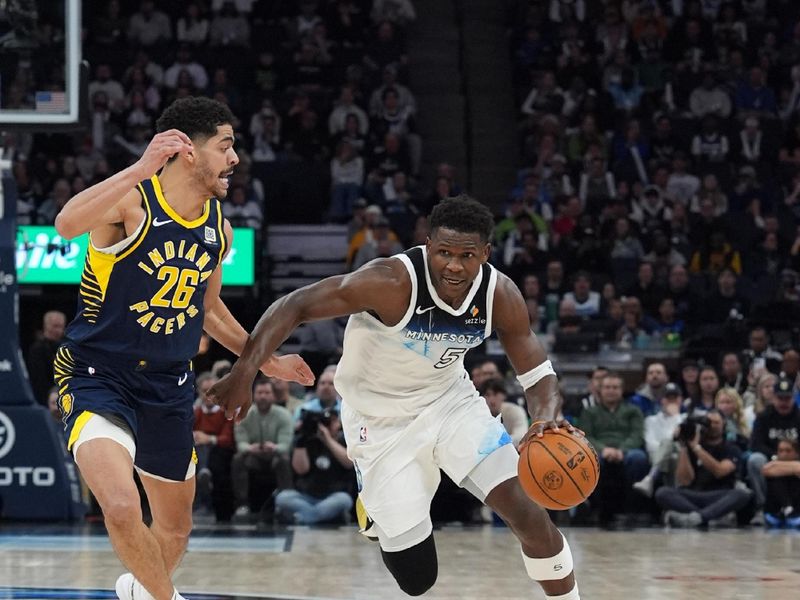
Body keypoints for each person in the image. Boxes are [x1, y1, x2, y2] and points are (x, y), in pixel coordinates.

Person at [210, 197, 582, 599]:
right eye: (443, 253)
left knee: (530, 517)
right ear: (427, 245)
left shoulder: (499, 295)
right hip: (378, 421)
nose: (454, 265)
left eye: (466, 255)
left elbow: (537, 372)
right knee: (417, 579)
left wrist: (545, 416)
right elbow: (296, 304)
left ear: (485, 254)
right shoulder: (390, 282)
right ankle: (371, 505)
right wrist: (245, 370)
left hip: (450, 403)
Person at [51, 97, 314, 600]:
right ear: (187, 151)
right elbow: (66, 224)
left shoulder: (219, 227)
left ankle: (140, 591)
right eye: (225, 145)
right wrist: (141, 166)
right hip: (96, 375)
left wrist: (266, 360)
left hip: (168, 384)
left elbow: (209, 310)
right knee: (124, 509)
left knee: (175, 531)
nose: (235, 158)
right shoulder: (133, 201)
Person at [26, 310, 66, 406]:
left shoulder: (66, 348)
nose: (58, 330)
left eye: (61, 326)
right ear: (46, 326)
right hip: (45, 401)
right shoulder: (37, 349)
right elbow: (38, 381)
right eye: (55, 326)